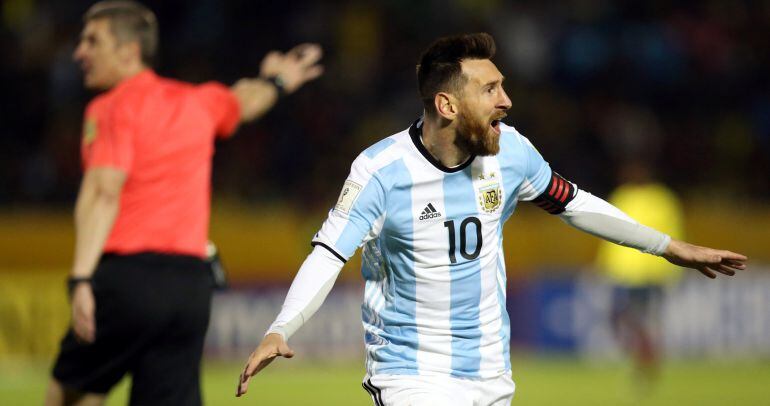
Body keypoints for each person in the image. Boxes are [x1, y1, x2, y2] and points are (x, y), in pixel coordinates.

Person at [236, 33, 746, 405]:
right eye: (490, 90)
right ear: (447, 104)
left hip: (491, 373)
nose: (506, 100)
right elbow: (328, 254)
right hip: (413, 375)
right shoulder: (380, 172)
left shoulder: (512, 151)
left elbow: (574, 203)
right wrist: (283, 326)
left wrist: (667, 246)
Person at [45, 1, 322, 405]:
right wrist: (278, 81)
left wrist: (81, 278)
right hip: (189, 289)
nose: (79, 52)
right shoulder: (196, 101)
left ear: (129, 50)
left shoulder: (111, 107)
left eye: (92, 41)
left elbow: (103, 192)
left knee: (71, 394)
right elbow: (244, 99)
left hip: (129, 278)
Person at [595, 160, 685, 390]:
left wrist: (671, 269)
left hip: (650, 273)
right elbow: (609, 231)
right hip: (624, 272)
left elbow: (673, 234)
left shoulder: (662, 198)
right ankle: (644, 363)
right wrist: (604, 264)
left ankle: (644, 367)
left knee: (641, 322)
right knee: (623, 320)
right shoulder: (622, 195)